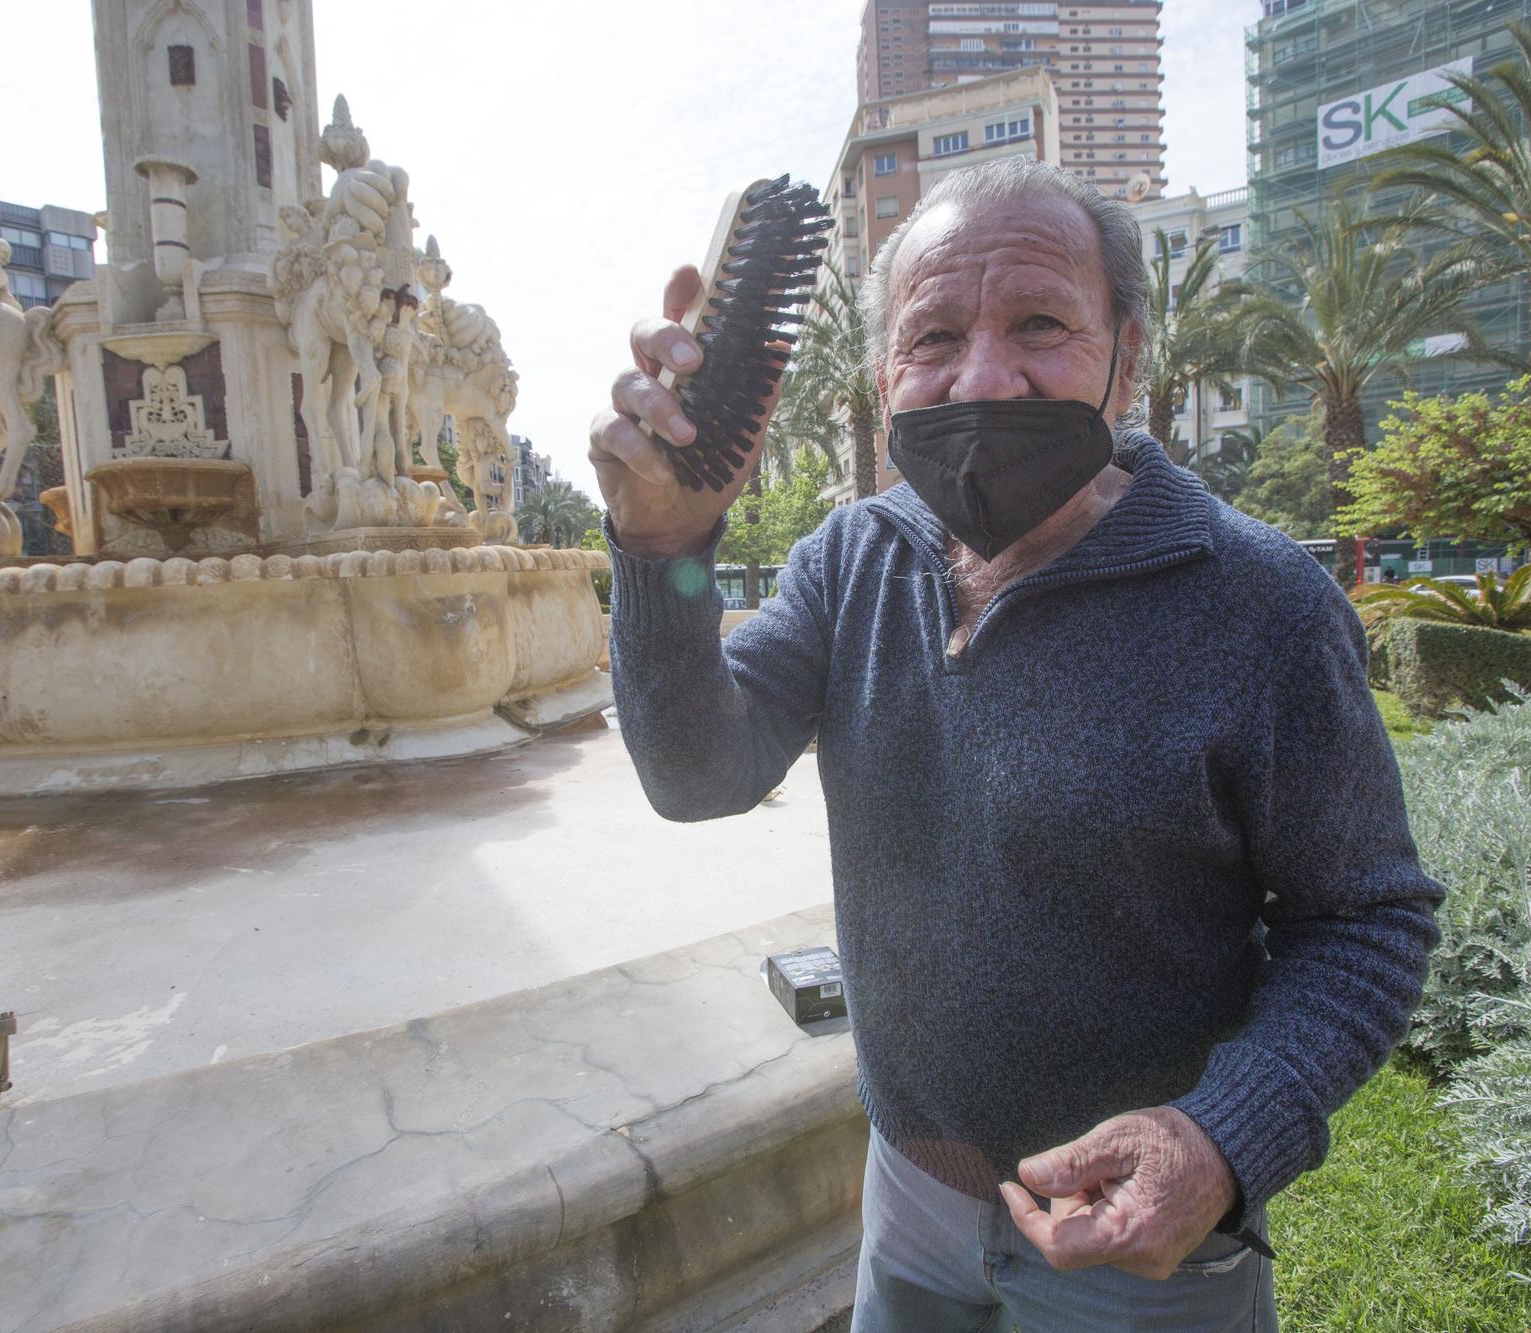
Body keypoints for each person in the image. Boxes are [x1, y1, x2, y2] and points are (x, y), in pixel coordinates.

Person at [587, 157, 1442, 1331]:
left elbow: (1364, 918)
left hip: (1139, 1260)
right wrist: (658, 554)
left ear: (1126, 358)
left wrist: (1222, 1136)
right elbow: (695, 773)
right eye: (931, 334)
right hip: (910, 1199)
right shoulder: (848, 564)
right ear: (886, 369)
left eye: (1038, 322)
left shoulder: (1259, 603)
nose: (981, 373)